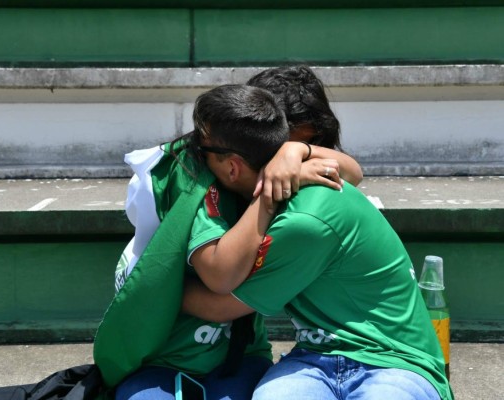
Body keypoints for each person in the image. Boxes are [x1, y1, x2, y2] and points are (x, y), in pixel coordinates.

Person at [181, 86, 454, 399]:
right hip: (313, 357)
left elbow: (219, 302)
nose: (195, 159)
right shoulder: (289, 193)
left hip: (395, 361)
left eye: (201, 153)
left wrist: (151, 288)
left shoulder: (303, 224)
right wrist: (295, 152)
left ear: (232, 167)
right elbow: (353, 170)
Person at [112, 68, 363, 399]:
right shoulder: (198, 177)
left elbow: (353, 172)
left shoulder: (285, 179)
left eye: (310, 145)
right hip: (166, 357)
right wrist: (154, 289)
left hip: (238, 354)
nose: (287, 166)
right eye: (286, 146)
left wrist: (294, 155)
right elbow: (219, 280)